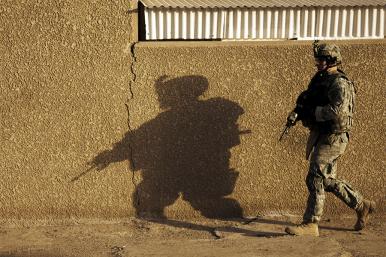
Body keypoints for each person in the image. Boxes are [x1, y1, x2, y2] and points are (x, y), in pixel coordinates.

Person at [284, 42, 375, 236]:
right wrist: (298, 112)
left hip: (334, 137)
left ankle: (310, 224)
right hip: (323, 134)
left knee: (315, 177)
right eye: (317, 59)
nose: (317, 63)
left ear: (331, 60)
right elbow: (309, 98)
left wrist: (312, 112)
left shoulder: (339, 82)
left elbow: (336, 111)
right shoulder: (321, 78)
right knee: (326, 180)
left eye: (321, 59)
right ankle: (361, 205)